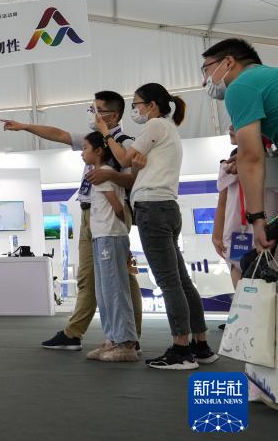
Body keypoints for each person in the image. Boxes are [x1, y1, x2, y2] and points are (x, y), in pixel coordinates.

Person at [2, 90, 143, 351]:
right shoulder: (94, 138)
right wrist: (24, 126)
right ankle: (89, 333)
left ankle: (125, 338)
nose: (92, 114)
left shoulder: (124, 142)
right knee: (95, 276)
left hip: (109, 215)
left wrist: (109, 180)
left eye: (97, 110)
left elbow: (133, 179)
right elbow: (59, 134)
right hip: (92, 213)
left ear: (113, 115)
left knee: (118, 277)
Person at [99, 83, 217, 369]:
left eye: (137, 104)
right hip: (166, 207)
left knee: (169, 282)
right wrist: (138, 164)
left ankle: (181, 350)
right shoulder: (168, 129)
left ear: (151, 105)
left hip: (152, 209)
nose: (135, 109)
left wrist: (106, 134)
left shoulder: (155, 126)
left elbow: (124, 158)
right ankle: (200, 345)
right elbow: (136, 164)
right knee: (181, 280)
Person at [201, 38, 278, 252]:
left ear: (228, 62)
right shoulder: (267, 77)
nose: (204, 81)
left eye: (206, 70)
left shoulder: (240, 86)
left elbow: (251, 158)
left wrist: (257, 219)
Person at [80, 132, 139, 362]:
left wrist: (122, 231)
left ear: (98, 151)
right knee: (104, 292)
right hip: (102, 236)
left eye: (85, 148)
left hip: (110, 236)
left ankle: (126, 343)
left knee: (114, 289)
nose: (82, 153)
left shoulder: (103, 174)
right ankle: (113, 338)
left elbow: (118, 207)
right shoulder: (99, 174)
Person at [212, 128, 246, 289]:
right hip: (235, 235)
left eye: (236, 123)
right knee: (241, 291)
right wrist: (217, 234)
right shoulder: (229, 164)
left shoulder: (269, 161)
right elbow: (222, 203)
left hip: (264, 234)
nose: (230, 128)